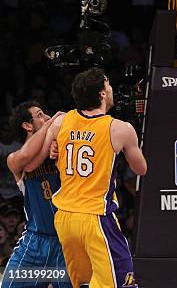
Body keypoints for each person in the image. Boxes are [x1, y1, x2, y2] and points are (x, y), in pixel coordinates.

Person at [45, 67, 147, 287]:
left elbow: (50, 152)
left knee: (83, 283)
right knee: (123, 282)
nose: (111, 89)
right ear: (101, 93)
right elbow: (141, 169)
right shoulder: (120, 128)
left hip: (64, 218)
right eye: (108, 85)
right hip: (95, 218)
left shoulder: (61, 122)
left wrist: (56, 148)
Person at [2, 101, 69, 288]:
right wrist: (51, 125)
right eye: (40, 115)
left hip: (66, 243)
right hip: (35, 243)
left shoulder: (58, 148)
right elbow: (27, 158)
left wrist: (54, 141)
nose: (47, 117)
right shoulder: (14, 159)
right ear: (27, 125)